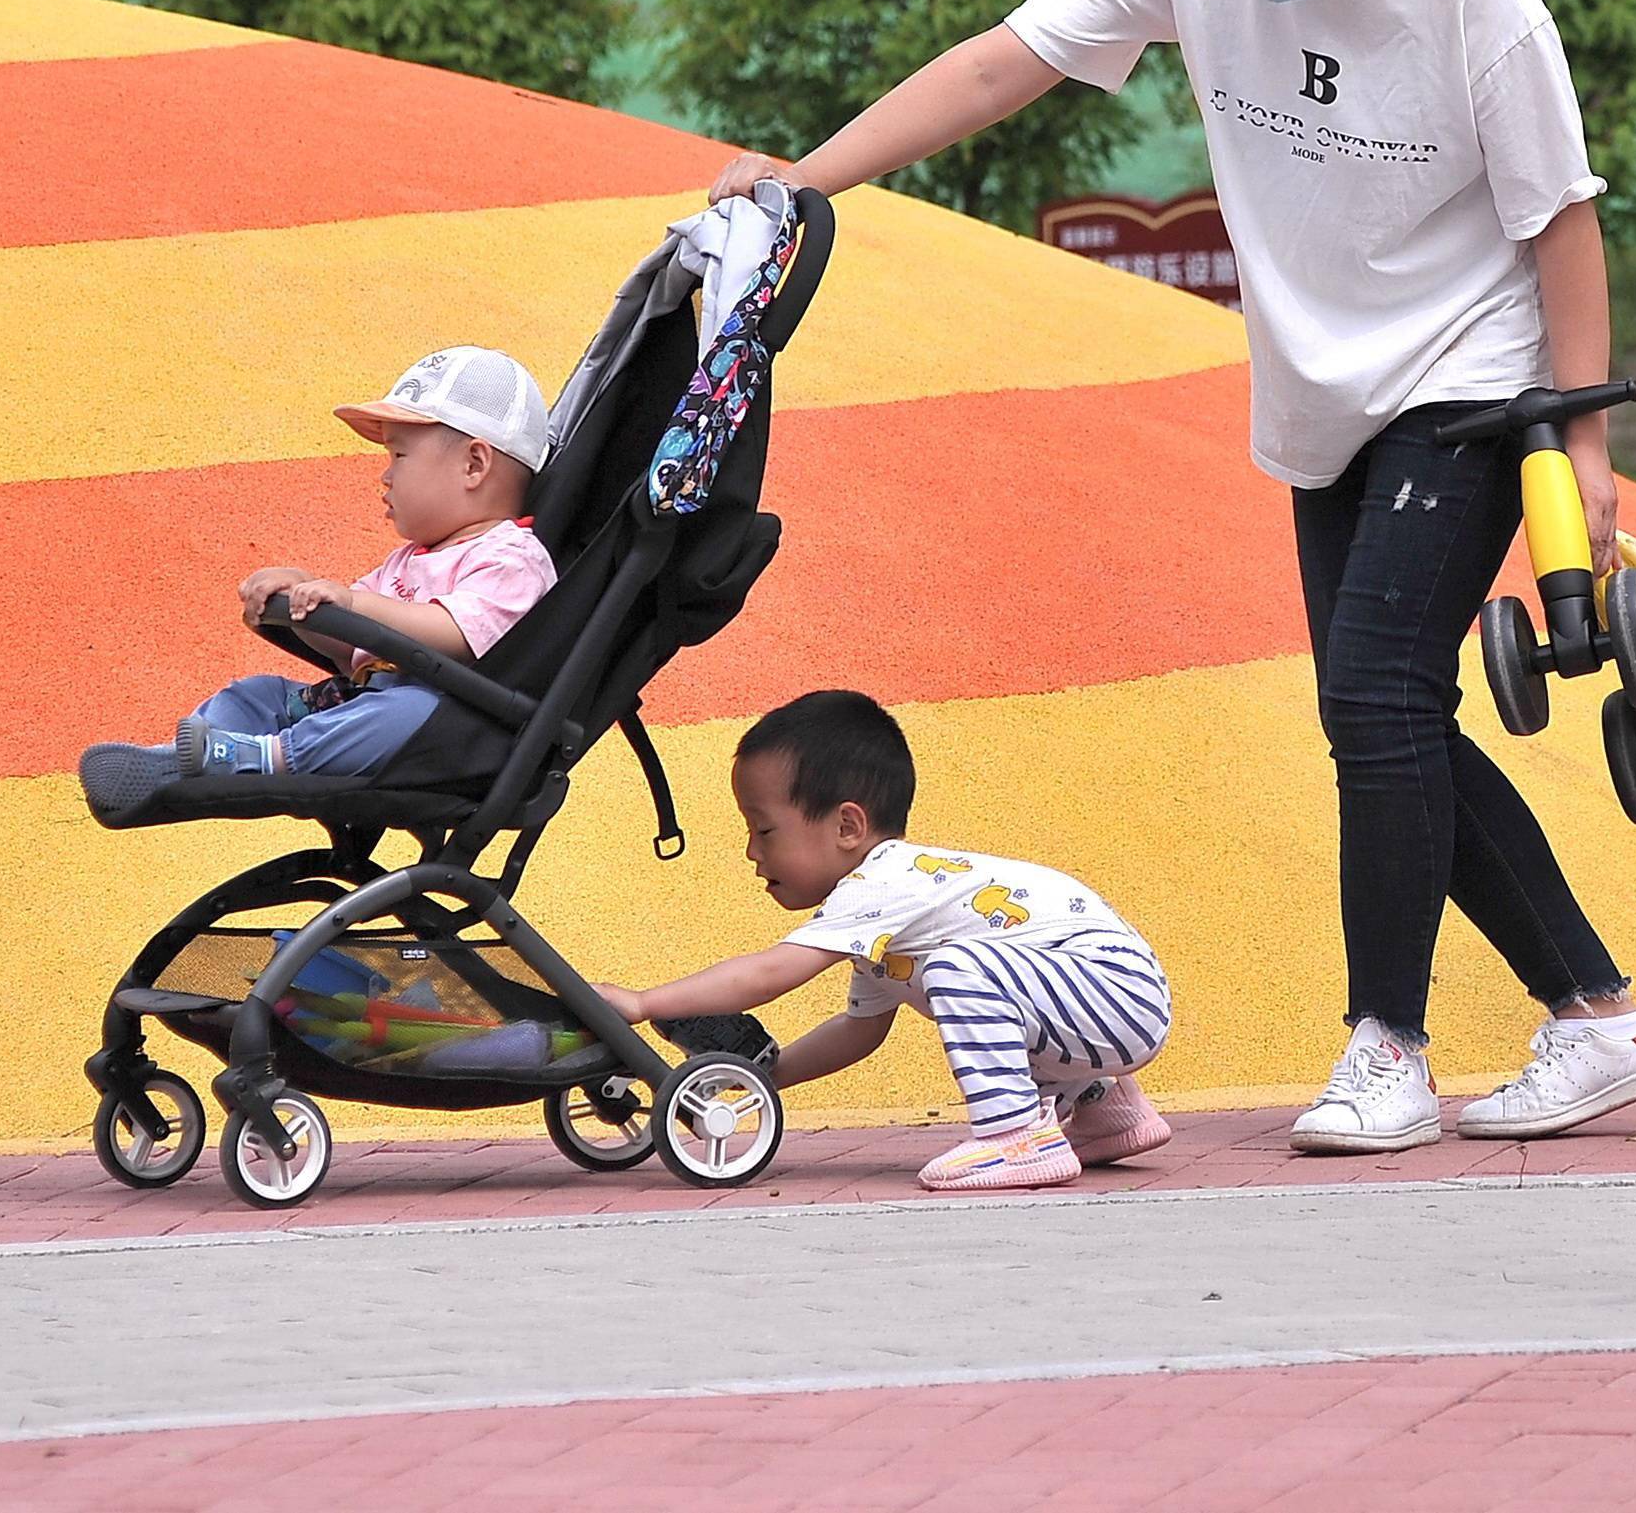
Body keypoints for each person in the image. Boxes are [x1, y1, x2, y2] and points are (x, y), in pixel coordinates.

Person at [703, 0, 1636, 1154]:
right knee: (1385, 715)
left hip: (1473, 370)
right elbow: (1002, 64)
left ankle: (1388, 1046)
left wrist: (1582, 444)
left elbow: (1563, 217)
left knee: (1376, 702)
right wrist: (808, 179)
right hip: (1321, 384)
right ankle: (1601, 1016)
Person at [597, 691, 1174, 1193]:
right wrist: (762, 1083)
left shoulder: (882, 882)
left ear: (847, 826)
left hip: (1115, 988)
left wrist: (644, 1003)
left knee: (959, 969)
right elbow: (859, 1031)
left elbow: (771, 972)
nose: (752, 852)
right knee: (982, 983)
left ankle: (1016, 1137)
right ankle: (1111, 1110)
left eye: (764, 829)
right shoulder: (887, 916)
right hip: (1101, 999)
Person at [76, 346, 558, 807]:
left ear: (474, 464)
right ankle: (183, 759)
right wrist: (304, 603)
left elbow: (457, 634)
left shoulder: (513, 558)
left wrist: (354, 604)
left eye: (399, 456)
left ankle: (259, 758)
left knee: (402, 713)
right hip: (353, 703)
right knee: (258, 693)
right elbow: (349, 647)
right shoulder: (412, 558)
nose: (385, 476)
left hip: (439, 734)